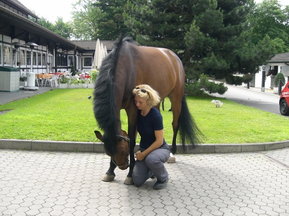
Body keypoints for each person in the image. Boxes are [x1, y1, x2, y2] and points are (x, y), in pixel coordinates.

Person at [132, 84, 170, 190]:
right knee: (137, 181)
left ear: (148, 102)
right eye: (136, 101)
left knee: (152, 159)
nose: (137, 104)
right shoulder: (138, 114)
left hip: (160, 148)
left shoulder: (155, 116)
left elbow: (159, 141)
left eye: (140, 102)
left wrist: (143, 154)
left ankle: (163, 178)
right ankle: (152, 169)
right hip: (145, 149)